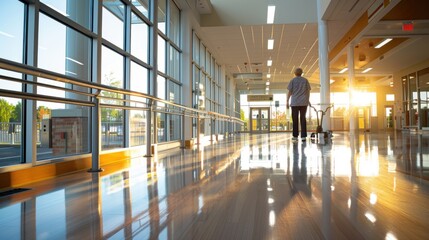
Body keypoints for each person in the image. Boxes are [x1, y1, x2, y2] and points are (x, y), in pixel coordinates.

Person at [286, 68, 311, 142]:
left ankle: (295, 136)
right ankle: (303, 136)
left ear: (295, 73)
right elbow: (308, 91)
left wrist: (287, 101)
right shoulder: (305, 80)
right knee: (303, 119)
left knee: (295, 119)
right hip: (303, 102)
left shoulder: (292, 81)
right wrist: (308, 100)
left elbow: (290, 92)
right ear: (302, 73)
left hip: (295, 103)